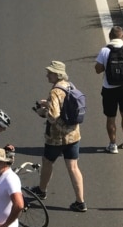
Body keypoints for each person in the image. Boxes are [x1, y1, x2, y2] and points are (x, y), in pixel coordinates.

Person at [33, 61, 86, 211]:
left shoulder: (55, 91)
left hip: (56, 138)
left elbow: (54, 116)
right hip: (74, 134)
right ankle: (80, 202)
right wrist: (48, 103)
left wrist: (42, 112)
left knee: (47, 161)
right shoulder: (70, 86)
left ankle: (41, 191)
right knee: (73, 167)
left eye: (50, 73)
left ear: (57, 74)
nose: (47, 75)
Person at [94, 25, 123, 154]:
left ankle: (112, 145)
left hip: (109, 88)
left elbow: (98, 69)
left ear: (110, 36)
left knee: (110, 117)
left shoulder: (105, 51)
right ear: (122, 36)